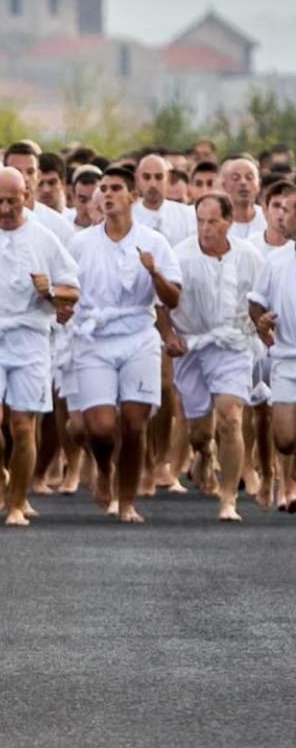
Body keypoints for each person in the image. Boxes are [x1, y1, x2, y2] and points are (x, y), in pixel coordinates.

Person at [0, 167, 80, 527]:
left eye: (12, 200)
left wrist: (49, 291)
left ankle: (17, 504)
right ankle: (0, 475)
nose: (4, 208)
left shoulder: (44, 237)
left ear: (27, 196)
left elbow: (73, 290)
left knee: (24, 426)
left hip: (29, 341)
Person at [68, 165, 182, 523]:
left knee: (134, 424)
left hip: (138, 337)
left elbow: (172, 298)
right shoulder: (81, 243)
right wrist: (56, 304)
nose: (108, 195)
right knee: (100, 428)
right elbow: (67, 290)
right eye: (104, 188)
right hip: (95, 338)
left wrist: (155, 273)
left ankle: (128, 501)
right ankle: (104, 467)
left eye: (116, 188)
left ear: (132, 196)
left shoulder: (154, 242)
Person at [165, 192, 260, 522]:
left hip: (233, 344)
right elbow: (161, 303)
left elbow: (262, 300)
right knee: (200, 432)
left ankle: (229, 498)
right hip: (192, 346)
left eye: (213, 222)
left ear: (229, 222)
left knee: (231, 416)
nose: (205, 229)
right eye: (200, 221)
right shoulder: (180, 257)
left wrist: (262, 324)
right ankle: (204, 453)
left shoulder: (249, 256)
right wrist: (168, 335)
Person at [249, 181, 296, 512]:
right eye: (280, 209)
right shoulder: (277, 260)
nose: (283, 216)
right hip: (285, 358)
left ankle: (290, 490)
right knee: (285, 437)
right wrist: (261, 321)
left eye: (290, 211)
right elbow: (256, 303)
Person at [133, 155, 195, 245]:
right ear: (137, 179)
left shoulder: (187, 215)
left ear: (168, 178)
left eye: (159, 177)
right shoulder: (126, 215)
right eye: (146, 177)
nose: (153, 184)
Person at [220, 157, 267, 239]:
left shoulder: (269, 219)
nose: (243, 182)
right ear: (224, 186)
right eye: (235, 178)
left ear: (259, 184)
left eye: (249, 178)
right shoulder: (216, 221)